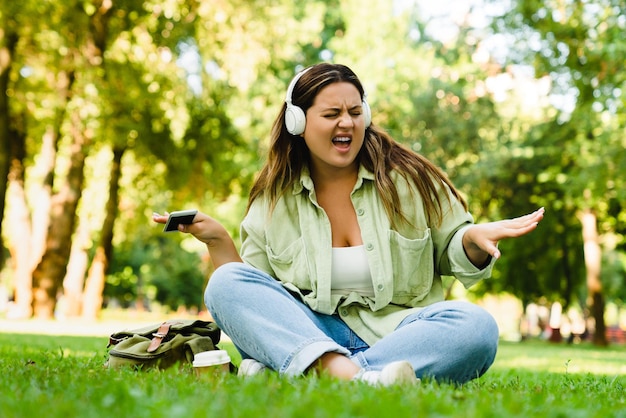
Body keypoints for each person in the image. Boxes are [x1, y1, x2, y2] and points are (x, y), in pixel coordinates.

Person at [153, 63, 545, 386]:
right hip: (312, 330)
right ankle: (361, 377)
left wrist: (473, 238)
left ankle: (317, 374)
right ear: (297, 122)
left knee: (476, 327)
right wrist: (220, 242)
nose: (347, 123)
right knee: (224, 283)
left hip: (397, 332)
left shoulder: (411, 180)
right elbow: (258, 300)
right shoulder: (271, 201)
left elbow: (453, 247)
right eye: (332, 114)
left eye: (355, 113)